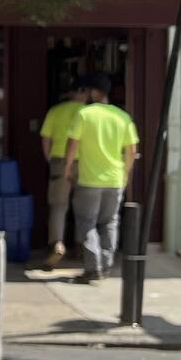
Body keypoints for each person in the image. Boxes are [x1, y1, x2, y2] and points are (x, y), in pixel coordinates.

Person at [64, 72, 139, 284]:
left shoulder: (84, 114)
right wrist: (126, 172)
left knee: (87, 223)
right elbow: (132, 150)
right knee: (110, 223)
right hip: (115, 179)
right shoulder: (123, 117)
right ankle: (105, 266)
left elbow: (72, 144)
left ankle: (92, 268)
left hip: (89, 179)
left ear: (94, 92)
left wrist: (68, 168)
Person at [37, 78, 91, 268]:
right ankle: (81, 246)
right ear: (84, 93)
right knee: (83, 206)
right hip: (84, 162)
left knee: (58, 206)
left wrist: (49, 158)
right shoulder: (88, 113)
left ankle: (57, 244)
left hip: (59, 160)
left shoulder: (56, 111)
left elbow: (45, 138)